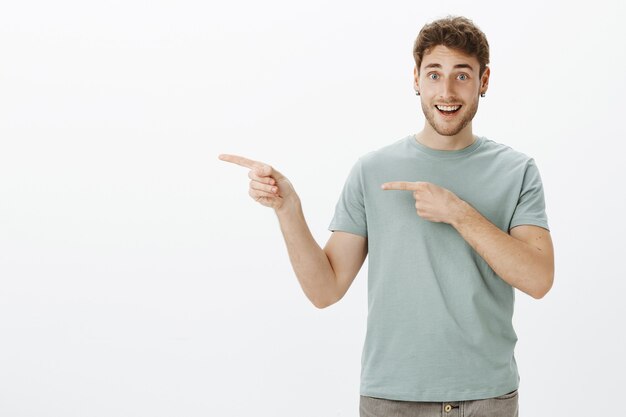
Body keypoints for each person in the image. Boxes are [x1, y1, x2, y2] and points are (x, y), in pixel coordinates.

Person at [219, 14, 553, 417]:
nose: (446, 91)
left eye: (462, 76)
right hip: (391, 397)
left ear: (483, 81)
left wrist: (459, 213)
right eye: (434, 74)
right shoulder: (372, 170)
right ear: (415, 79)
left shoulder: (516, 170)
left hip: (485, 396)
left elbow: (538, 279)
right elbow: (325, 291)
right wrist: (288, 208)